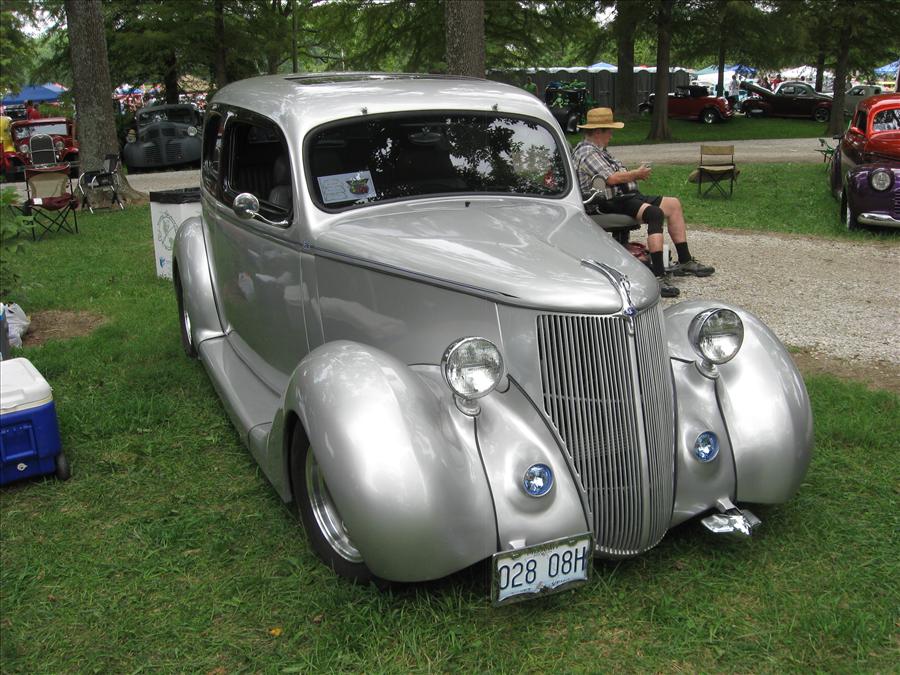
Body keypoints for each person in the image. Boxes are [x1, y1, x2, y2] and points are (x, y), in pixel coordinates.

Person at [573, 107, 714, 298]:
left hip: (625, 196)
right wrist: (636, 174)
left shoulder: (599, 151)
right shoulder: (588, 152)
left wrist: (632, 175)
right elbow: (611, 179)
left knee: (673, 204)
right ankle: (658, 275)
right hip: (607, 201)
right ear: (598, 131)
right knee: (654, 214)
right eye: (609, 131)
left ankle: (685, 260)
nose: (611, 135)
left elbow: (616, 175)